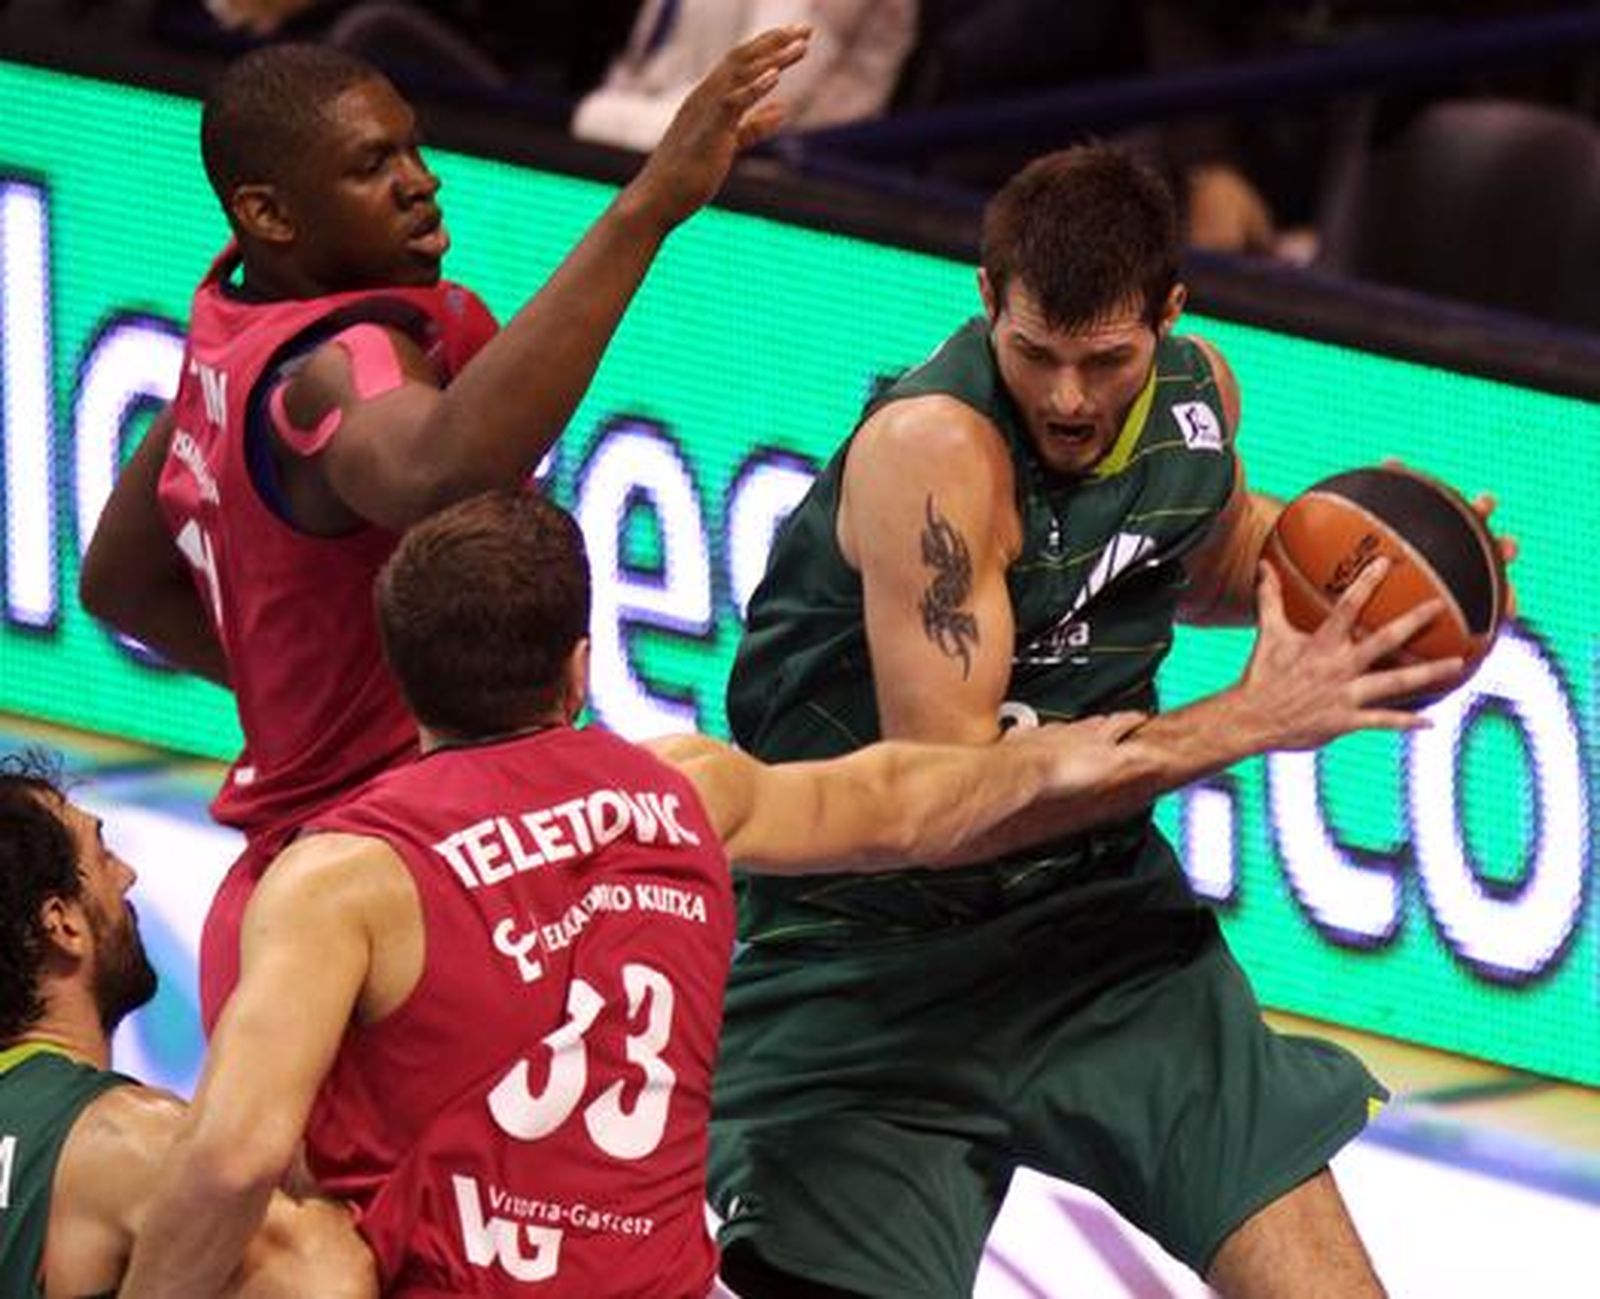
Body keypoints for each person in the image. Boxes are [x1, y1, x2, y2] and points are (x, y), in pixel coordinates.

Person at [708, 142, 1493, 1297]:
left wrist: (1388, 596)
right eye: (1035, 356)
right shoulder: (931, 454)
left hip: (1101, 937)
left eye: (1105, 360)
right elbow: (948, 807)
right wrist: (1244, 722)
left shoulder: (1195, 394)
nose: (1069, 398)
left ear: (1169, 318)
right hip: (862, 956)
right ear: (987, 303)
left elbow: (1216, 562)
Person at [117, 488, 1161, 1297]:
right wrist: (1166, 736)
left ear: (402, 680)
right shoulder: (682, 796)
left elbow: (234, 1157)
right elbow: (904, 797)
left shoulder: (341, 875)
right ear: (577, 670)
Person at [78, 27, 810, 1032]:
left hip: (293, 896)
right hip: (378, 901)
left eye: (414, 149)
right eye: (372, 165)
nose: (421, 182)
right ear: (268, 212)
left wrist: (309, 681)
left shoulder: (229, 333)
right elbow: (439, 472)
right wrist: (648, 208)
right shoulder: (335, 363)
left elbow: (116, 583)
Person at [0, 753, 376, 1297]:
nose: (128, 874)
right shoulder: (125, 1138)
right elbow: (325, 1276)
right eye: (103, 854)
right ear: (62, 925)